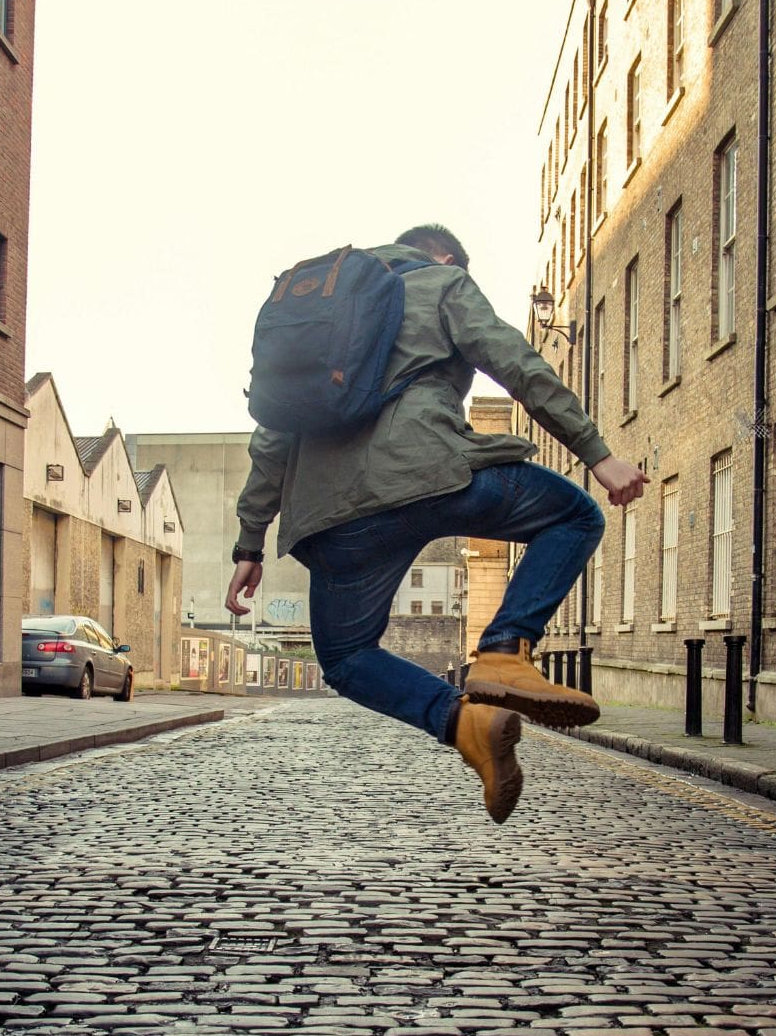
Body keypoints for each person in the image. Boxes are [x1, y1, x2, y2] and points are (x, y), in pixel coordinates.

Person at [226, 225, 648, 824]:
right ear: (445, 256)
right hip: (431, 476)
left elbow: (271, 436)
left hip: (334, 522)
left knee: (345, 657)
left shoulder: (321, 314)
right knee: (575, 516)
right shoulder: (443, 283)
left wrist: (250, 542)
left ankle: (466, 723)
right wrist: (596, 454)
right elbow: (517, 363)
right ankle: (504, 652)